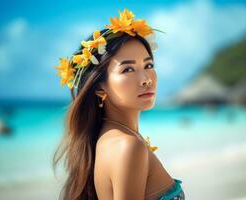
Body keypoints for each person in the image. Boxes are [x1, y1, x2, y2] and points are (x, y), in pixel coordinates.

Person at [53, 8, 185, 200]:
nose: (146, 79)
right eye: (128, 69)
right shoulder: (128, 146)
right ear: (99, 87)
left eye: (148, 65)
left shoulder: (109, 140)